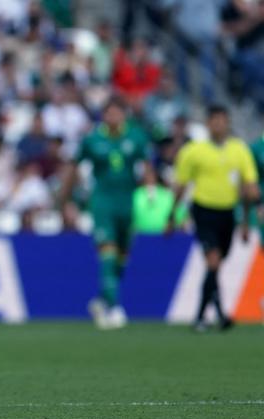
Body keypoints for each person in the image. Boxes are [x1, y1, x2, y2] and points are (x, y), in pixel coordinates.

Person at [59, 98, 153, 329]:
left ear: (124, 115)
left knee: (121, 256)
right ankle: (114, 307)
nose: (112, 117)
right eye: (108, 113)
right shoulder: (92, 139)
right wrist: (65, 198)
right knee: (107, 251)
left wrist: (151, 188)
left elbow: (147, 164)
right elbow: (73, 166)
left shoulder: (136, 136)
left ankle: (102, 299)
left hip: (127, 202)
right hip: (102, 202)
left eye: (116, 113)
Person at [168, 105, 259, 333]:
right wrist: (172, 215)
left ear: (227, 123)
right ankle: (201, 316)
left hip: (228, 213)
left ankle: (218, 313)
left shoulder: (239, 150)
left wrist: (246, 222)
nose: (218, 124)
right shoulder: (194, 151)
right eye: (214, 120)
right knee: (214, 261)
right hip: (203, 210)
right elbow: (181, 185)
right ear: (208, 123)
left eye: (222, 120)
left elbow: (248, 187)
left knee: (216, 265)